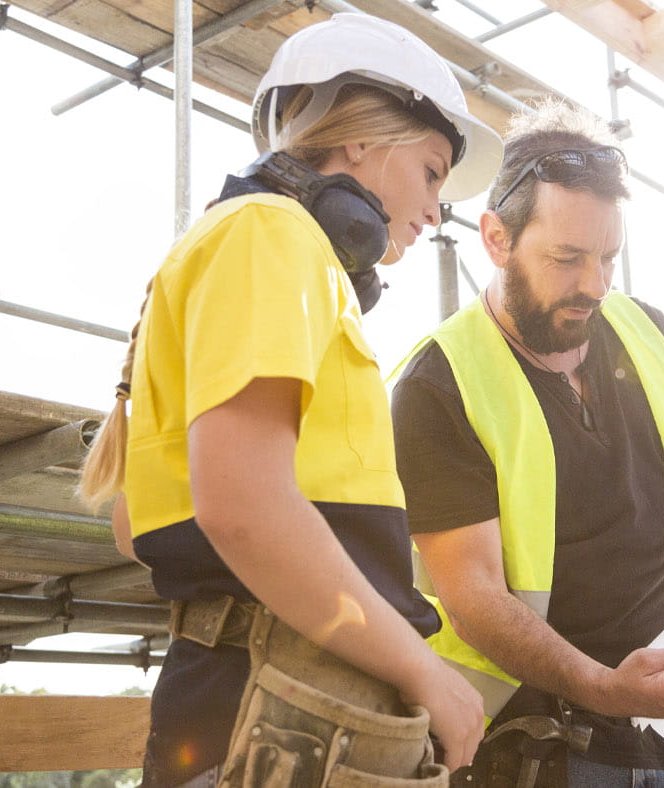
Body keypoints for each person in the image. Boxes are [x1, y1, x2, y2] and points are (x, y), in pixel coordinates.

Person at [77, 14, 503, 787]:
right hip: (280, 705)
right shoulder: (271, 236)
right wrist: (424, 670)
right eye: (434, 171)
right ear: (361, 140)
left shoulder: (245, 241)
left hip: (253, 695)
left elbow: (138, 525)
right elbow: (244, 508)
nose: (438, 209)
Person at [390, 103, 664, 786]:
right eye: (567, 258)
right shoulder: (439, 381)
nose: (595, 286)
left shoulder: (643, 332)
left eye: (608, 258)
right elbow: (474, 595)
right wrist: (605, 687)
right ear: (496, 238)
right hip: (529, 745)